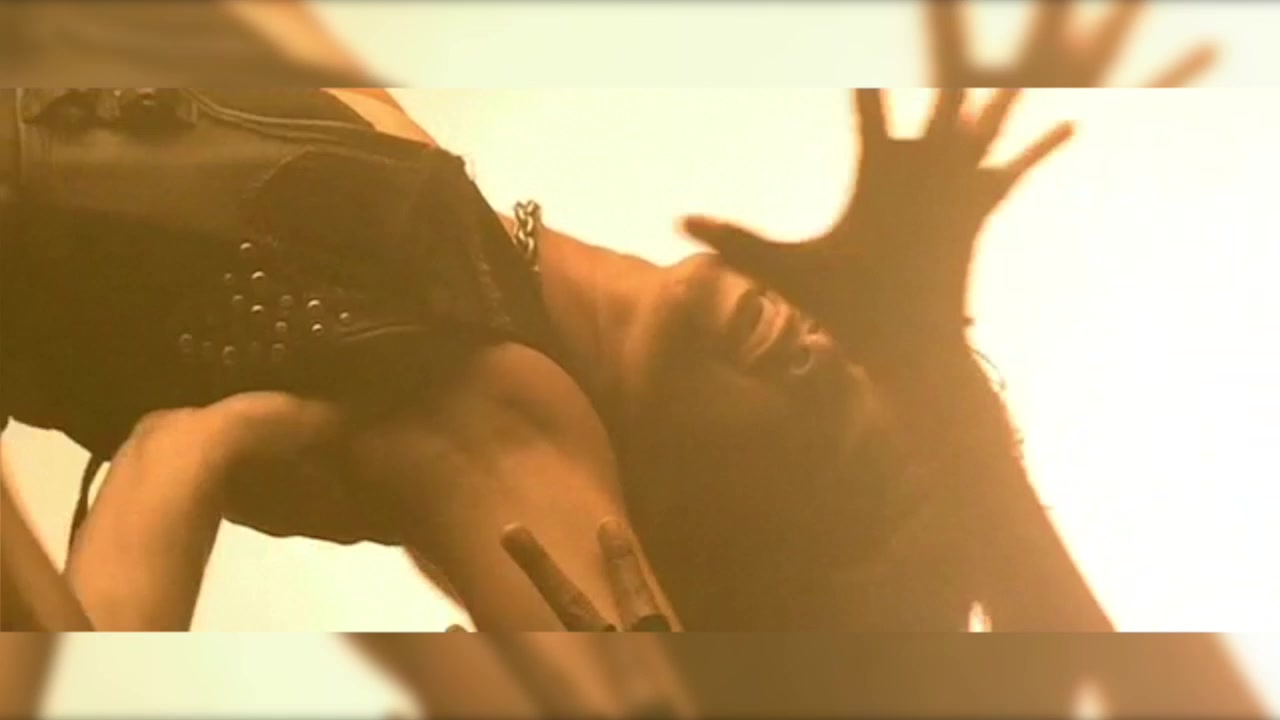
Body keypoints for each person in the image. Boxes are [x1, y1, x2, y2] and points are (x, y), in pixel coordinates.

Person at [0, 0, 1211, 633]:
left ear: (702, 524)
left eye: (836, 449)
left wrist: (180, 466)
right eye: (868, 362)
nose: (828, 364)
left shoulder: (500, 426)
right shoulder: (450, 226)